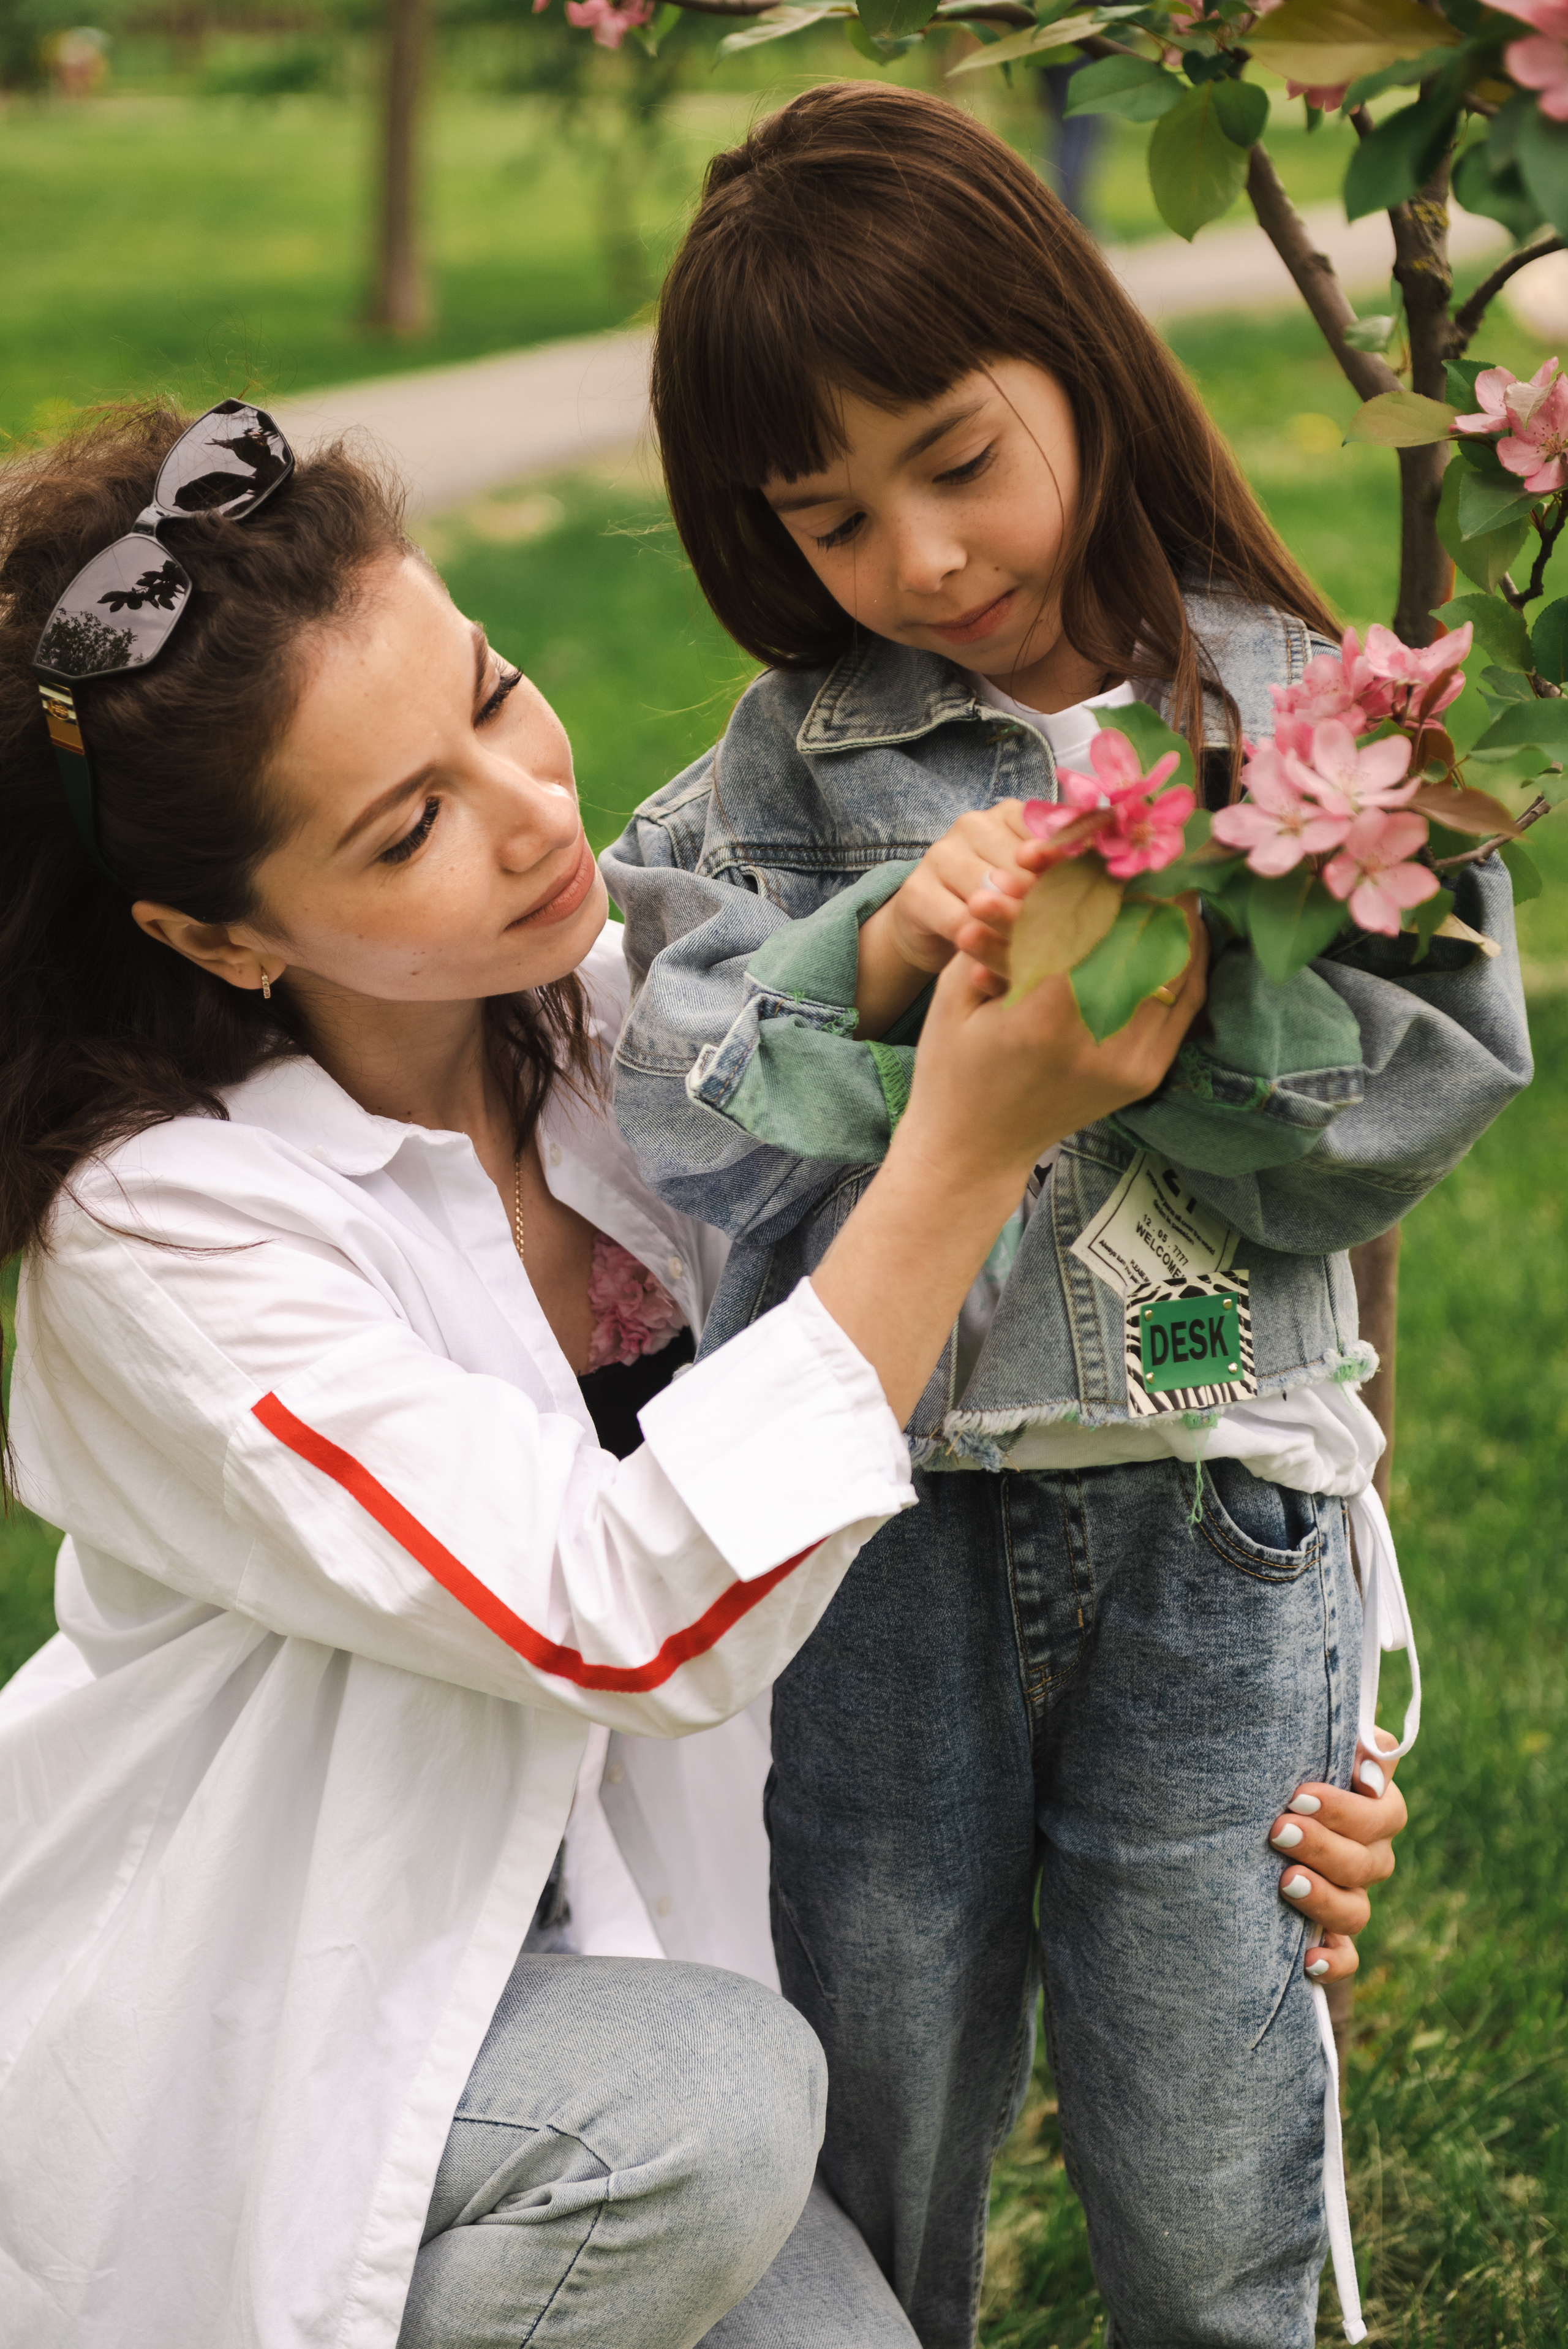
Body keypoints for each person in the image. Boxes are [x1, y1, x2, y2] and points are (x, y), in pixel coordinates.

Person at [0, 398, 1219, 2349]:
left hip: (647, 1961)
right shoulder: (163, 1244)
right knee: (707, 2116)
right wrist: (956, 1153)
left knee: (728, 2122)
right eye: (408, 825)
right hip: (306, 2004)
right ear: (214, 935)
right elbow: (617, 1608)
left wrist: (1306, 1719)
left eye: (495, 695)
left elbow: (1124, 1367)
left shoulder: (621, 1018)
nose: (535, 810)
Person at [601, 83, 1529, 2349]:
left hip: (1219, 1523)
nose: (915, 559)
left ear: (1077, 361)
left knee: (1211, 2101)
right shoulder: (784, 773)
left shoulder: (1307, 722)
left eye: (953, 457)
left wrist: (1176, 997)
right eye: (828, 518)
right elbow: (675, 1093)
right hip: (881, 1538)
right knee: (875, 2061)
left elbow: (1424, 1092)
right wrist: (882, 970)